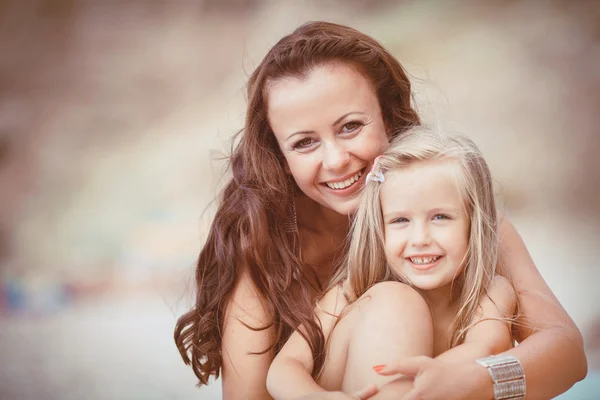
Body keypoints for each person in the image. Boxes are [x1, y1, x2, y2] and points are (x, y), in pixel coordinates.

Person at [174, 21, 587, 399]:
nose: (336, 160)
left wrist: (477, 380)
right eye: (304, 142)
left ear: (389, 116)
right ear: (279, 157)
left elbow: (567, 353)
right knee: (394, 302)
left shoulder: (461, 212)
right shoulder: (268, 246)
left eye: (351, 126)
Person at [266, 128, 521, 399]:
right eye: (400, 221)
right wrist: (316, 397)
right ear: (380, 230)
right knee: (394, 301)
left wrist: (424, 378)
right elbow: (284, 367)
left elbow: (485, 348)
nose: (420, 239)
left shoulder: (490, 291)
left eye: (440, 217)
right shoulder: (352, 290)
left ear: (474, 223)